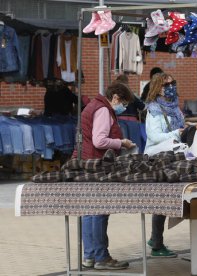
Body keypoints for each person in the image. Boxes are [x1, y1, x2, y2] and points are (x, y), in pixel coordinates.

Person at [74, 82, 136, 270]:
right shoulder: (102, 110)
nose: (123, 108)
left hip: (86, 162)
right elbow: (99, 140)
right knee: (100, 210)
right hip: (97, 165)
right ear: (116, 97)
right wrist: (121, 142)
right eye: (123, 103)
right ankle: (101, 257)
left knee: (89, 210)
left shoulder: (93, 106)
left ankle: (90, 256)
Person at [144, 73, 197, 257]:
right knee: (163, 198)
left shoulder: (175, 107)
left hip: (173, 156)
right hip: (158, 159)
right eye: (167, 84)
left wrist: (185, 128)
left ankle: (155, 238)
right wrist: (176, 133)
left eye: (173, 83)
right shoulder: (154, 110)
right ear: (158, 88)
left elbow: (178, 127)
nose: (171, 86)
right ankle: (157, 243)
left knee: (167, 198)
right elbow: (154, 136)